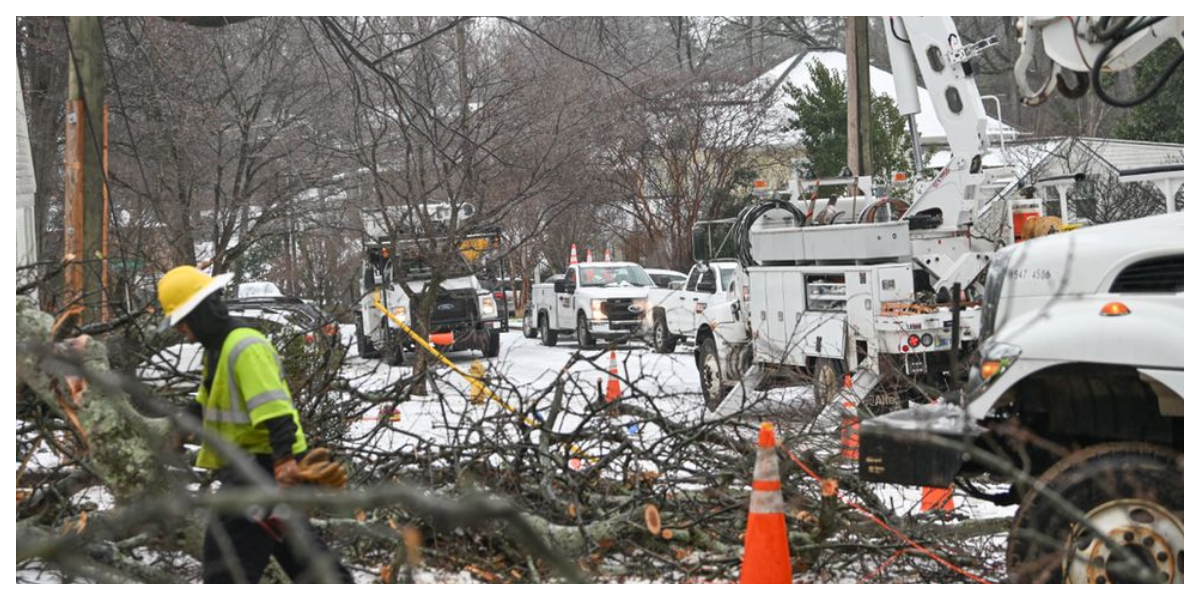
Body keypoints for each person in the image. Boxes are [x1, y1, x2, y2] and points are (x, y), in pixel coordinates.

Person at [158, 265, 353, 584]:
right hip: (257, 470)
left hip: (262, 472)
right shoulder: (218, 350)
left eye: (182, 322)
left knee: (225, 564)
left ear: (200, 312)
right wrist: (178, 429)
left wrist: (284, 460)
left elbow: (274, 409)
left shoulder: (245, 347)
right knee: (302, 557)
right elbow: (205, 403)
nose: (180, 331)